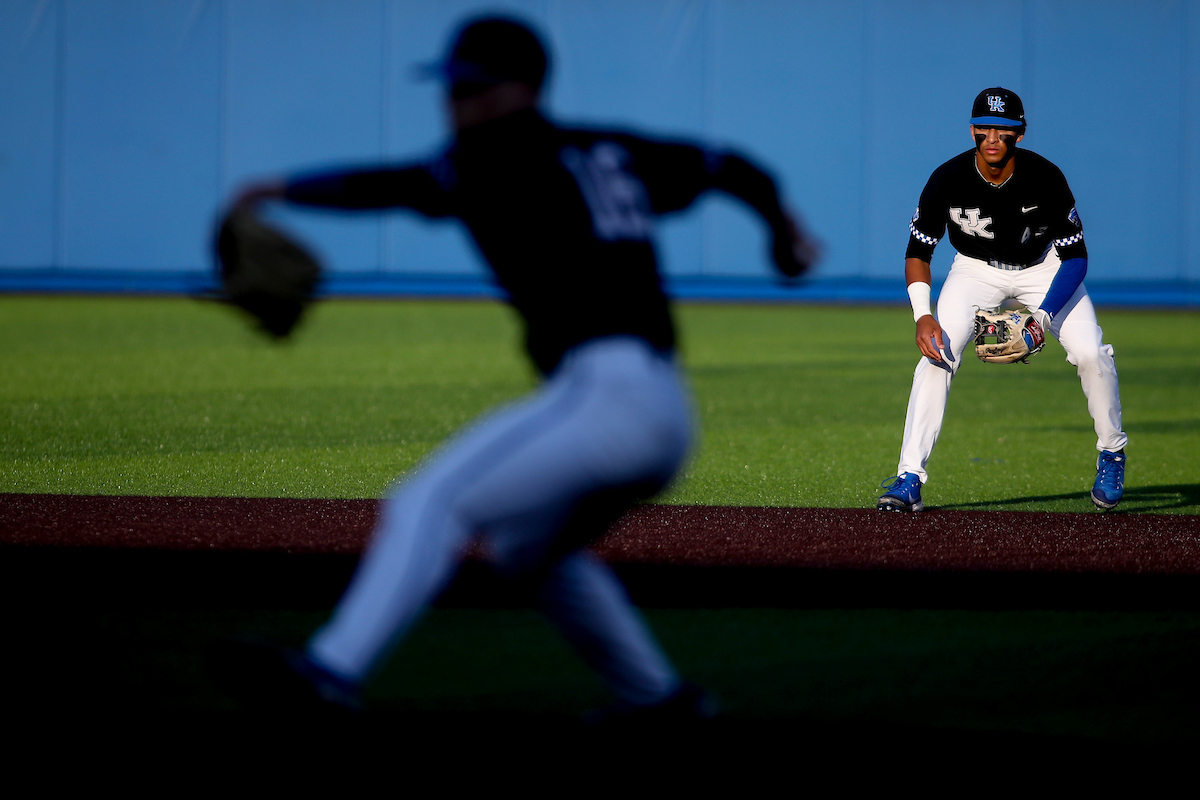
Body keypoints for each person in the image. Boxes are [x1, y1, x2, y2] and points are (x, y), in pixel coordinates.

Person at [210, 15, 817, 718]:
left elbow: (389, 184)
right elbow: (732, 168)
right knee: (530, 551)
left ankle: (331, 672)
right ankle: (658, 700)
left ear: (520, 90)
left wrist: (275, 188)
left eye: (470, 87)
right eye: (451, 87)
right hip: (660, 411)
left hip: (606, 396)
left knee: (427, 503)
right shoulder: (609, 150)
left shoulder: (491, 156)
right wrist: (784, 234)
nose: (454, 102)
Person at [877, 87, 1126, 514]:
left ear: (1020, 134)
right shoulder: (947, 179)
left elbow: (1076, 258)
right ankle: (909, 477)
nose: (993, 137)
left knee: (1091, 354)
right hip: (975, 268)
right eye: (986, 128)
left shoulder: (1045, 177)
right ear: (972, 130)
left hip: (1044, 268)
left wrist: (1042, 317)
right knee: (938, 355)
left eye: (1005, 129)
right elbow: (918, 251)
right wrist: (923, 315)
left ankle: (1112, 451)